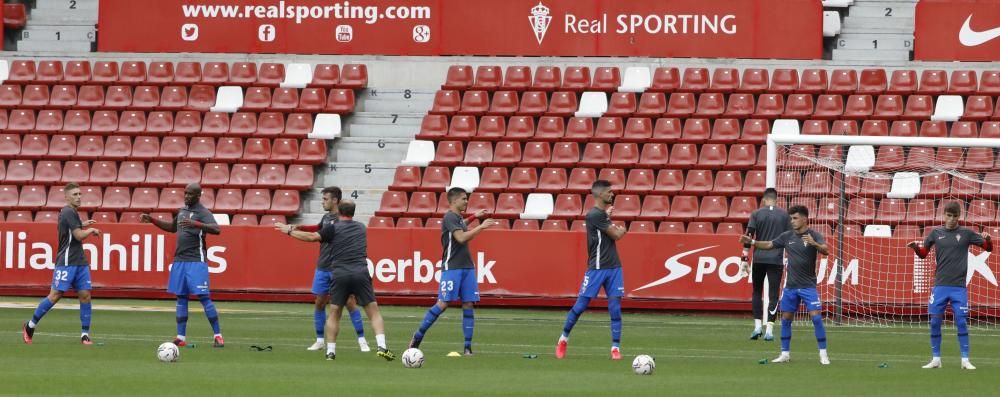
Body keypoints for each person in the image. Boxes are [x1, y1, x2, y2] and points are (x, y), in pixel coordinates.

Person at [276, 200, 395, 361]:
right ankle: (382, 347)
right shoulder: (361, 227)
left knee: (334, 314)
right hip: (360, 271)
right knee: (373, 312)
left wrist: (289, 231)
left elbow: (312, 237)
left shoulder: (332, 228)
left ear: (339, 211)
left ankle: (331, 351)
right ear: (353, 212)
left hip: (339, 273)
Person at [275, 186, 369, 352]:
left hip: (338, 267)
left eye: (325, 199)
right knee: (319, 303)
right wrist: (298, 227)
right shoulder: (326, 218)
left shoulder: (343, 220)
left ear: (335, 201)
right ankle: (319, 340)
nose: (322, 202)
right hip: (323, 266)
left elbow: (315, 237)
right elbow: (318, 229)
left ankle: (362, 340)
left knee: (349, 302)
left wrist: (290, 232)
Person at [408, 187, 497, 355]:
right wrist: (482, 227)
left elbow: (461, 225)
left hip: (467, 267)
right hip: (452, 267)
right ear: (454, 201)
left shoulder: (456, 218)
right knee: (443, 303)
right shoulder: (449, 217)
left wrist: (473, 217)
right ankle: (417, 336)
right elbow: (461, 237)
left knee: (469, 304)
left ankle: (467, 347)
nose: (466, 201)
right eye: (463, 199)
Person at [741, 205, 830, 365]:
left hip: (808, 286)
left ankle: (823, 355)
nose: (792, 221)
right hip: (790, 287)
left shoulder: (814, 235)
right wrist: (752, 241)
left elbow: (826, 250)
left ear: (804, 219)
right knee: (786, 318)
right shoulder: (787, 236)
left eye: (795, 218)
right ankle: (785, 354)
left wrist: (814, 244)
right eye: (791, 218)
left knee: (816, 318)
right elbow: (769, 244)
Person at [907, 201, 991, 370]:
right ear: (944, 215)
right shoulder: (935, 233)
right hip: (940, 286)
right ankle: (936, 359)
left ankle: (965, 360)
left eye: (955, 216)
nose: (951, 219)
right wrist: (916, 248)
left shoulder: (966, 234)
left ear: (959, 216)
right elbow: (923, 254)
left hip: (959, 287)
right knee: (935, 322)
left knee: (961, 321)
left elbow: (988, 248)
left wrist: (988, 240)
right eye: (948, 215)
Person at [140, 183, 224, 348]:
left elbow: (217, 229)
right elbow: (172, 228)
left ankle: (218, 335)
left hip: (196, 260)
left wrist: (196, 225)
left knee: (204, 297)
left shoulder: (203, 213)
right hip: (180, 261)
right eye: (185, 193)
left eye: (190, 194)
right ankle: (181, 337)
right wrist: (152, 220)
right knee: (181, 297)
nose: (186, 196)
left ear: (198, 195)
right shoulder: (182, 211)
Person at [556, 180, 627, 360]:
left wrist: (608, 218)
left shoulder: (601, 215)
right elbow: (616, 235)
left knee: (615, 308)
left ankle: (615, 348)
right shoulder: (595, 215)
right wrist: (622, 230)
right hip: (597, 268)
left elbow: (605, 230)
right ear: (600, 194)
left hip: (614, 267)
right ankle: (563, 340)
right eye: (609, 192)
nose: (612, 194)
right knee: (580, 306)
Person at [22, 183, 102, 345]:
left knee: (85, 296)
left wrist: (83, 224)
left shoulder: (72, 213)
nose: (79, 197)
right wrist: (90, 231)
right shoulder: (67, 211)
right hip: (66, 261)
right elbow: (78, 236)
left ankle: (84, 335)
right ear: (66, 197)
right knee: (55, 295)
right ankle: (30, 326)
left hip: (80, 260)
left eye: (80, 194)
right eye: (75, 194)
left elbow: (71, 231)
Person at [740, 188, 790, 341]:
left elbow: (748, 236)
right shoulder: (784, 215)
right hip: (776, 259)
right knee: (773, 293)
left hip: (759, 258)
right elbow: (789, 237)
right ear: (776, 199)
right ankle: (769, 330)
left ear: (764, 199)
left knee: (757, 291)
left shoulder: (756, 214)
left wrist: (744, 258)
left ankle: (757, 327)